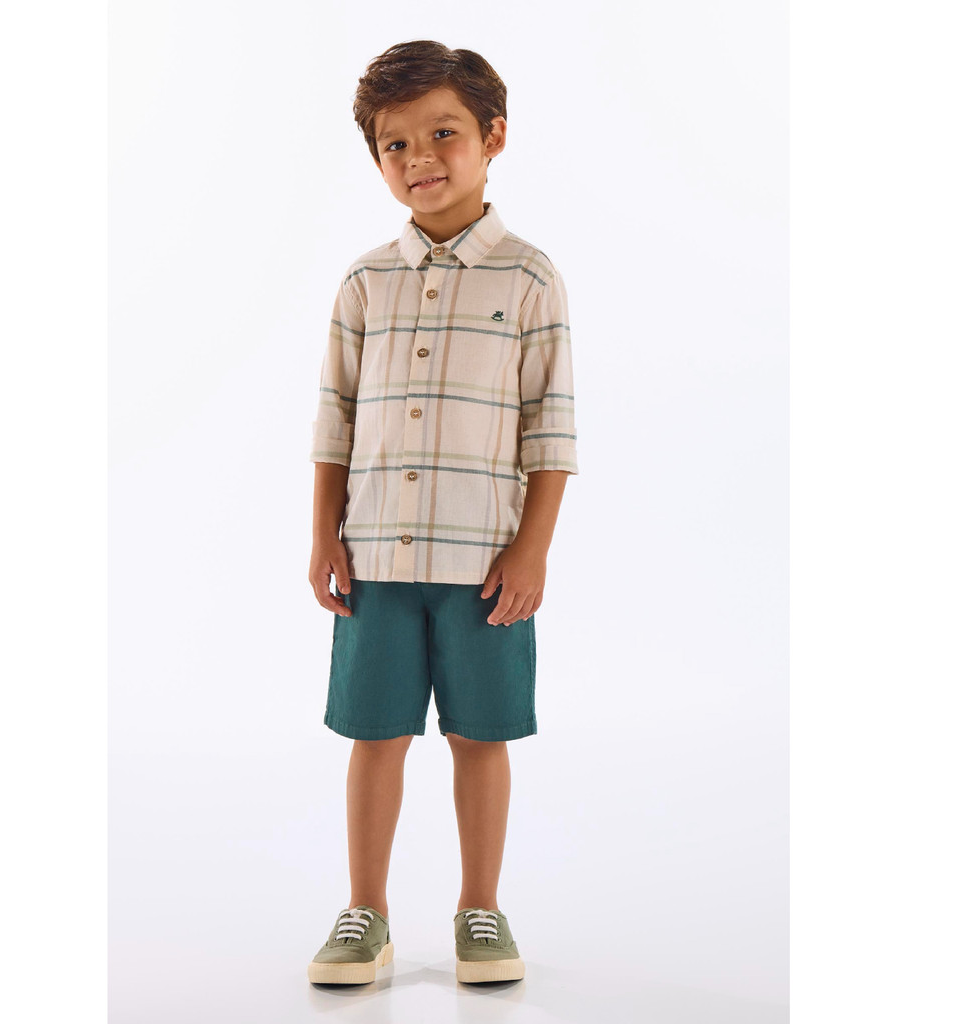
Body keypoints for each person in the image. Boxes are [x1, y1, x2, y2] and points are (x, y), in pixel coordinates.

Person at [306, 39, 579, 986]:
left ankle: (480, 910)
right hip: (376, 557)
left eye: (443, 133)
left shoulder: (530, 279)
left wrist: (532, 550)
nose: (419, 158)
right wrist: (323, 531)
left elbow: (551, 427)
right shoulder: (364, 283)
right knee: (374, 734)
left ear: (493, 137)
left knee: (480, 735)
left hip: (484, 563)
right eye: (395, 144)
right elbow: (335, 418)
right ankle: (366, 914)